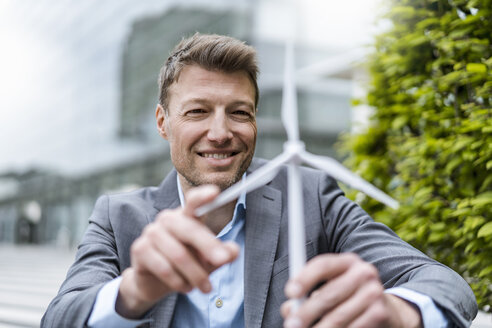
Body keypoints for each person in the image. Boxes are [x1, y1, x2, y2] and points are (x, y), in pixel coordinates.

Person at [42, 33, 477, 328]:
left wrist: (397, 312)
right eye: (197, 111)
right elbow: (60, 316)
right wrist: (134, 290)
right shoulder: (119, 217)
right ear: (163, 122)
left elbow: (444, 284)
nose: (220, 132)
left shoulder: (312, 196)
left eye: (239, 112)